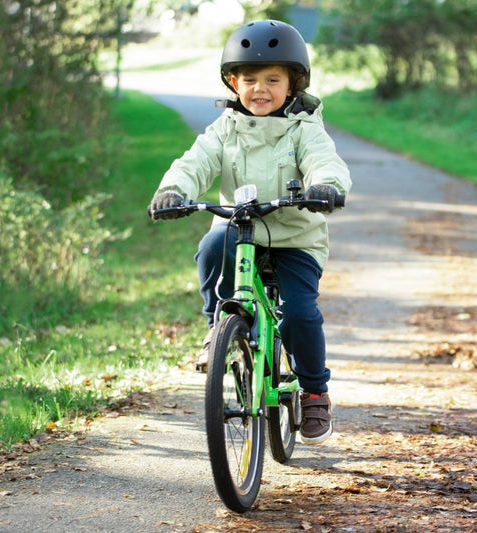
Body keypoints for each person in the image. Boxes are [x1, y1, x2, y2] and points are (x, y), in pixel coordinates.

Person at [148, 20, 351, 444]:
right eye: (250, 79)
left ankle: (315, 391)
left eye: (273, 80)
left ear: (293, 85)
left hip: (295, 238)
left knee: (299, 313)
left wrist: (326, 187)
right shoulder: (225, 129)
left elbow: (324, 161)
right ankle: (218, 325)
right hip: (239, 230)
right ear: (233, 82)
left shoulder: (303, 129)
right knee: (211, 245)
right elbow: (195, 162)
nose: (261, 89)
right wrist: (173, 191)